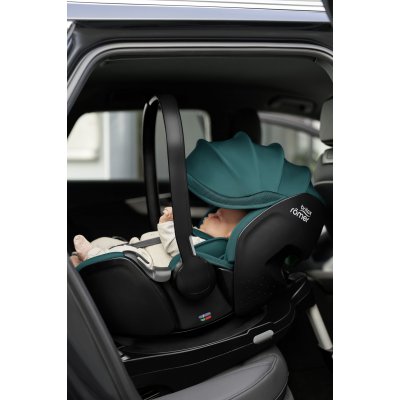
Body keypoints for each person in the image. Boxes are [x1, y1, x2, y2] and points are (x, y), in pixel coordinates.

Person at [71, 207, 247, 269]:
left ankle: (91, 256)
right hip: (141, 247)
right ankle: (83, 259)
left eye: (217, 217)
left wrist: (167, 224)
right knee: (106, 241)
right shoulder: (200, 236)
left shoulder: (204, 245)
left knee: (122, 254)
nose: (209, 214)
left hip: (146, 262)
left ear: (230, 235)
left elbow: (177, 246)